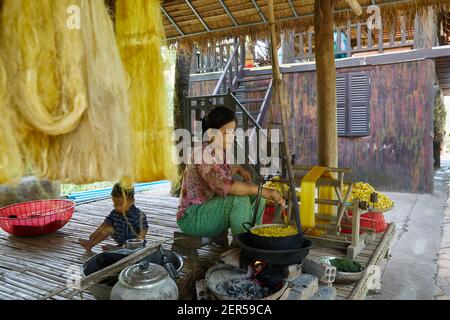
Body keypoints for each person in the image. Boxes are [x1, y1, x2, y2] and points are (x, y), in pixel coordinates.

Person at [176, 106, 285, 238]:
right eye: (226, 133)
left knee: (258, 199)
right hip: (192, 217)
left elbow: (218, 174)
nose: (231, 137)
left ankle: (254, 238)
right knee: (238, 200)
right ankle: (242, 245)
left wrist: (238, 169)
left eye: (233, 132)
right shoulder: (203, 154)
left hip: (209, 209)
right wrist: (264, 190)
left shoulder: (218, 151)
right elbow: (226, 186)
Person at [78, 182, 149, 251]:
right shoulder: (115, 212)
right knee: (109, 228)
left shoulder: (138, 215)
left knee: (131, 247)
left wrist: (138, 240)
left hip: (134, 244)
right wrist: (96, 232)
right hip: (121, 239)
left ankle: (118, 249)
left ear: (131, 201)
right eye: (115, 204)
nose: (118, 208)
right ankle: (90, 245)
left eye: (121, 205)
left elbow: (144, 229)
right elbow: (106, 223)